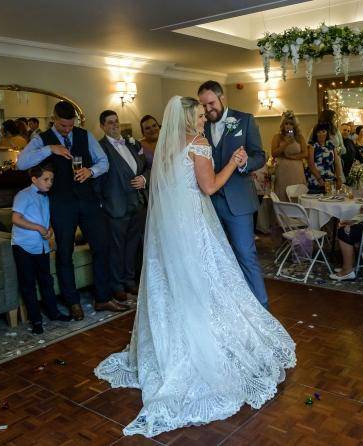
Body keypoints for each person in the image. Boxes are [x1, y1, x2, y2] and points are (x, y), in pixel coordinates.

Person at [94, 96, 296, 438]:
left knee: (177, 286)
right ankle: (205, 346)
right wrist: (233, 161)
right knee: (207, 283)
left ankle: (172, 343)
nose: (204, 120)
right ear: (188, 118)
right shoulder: (197, 144)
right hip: (193, 226)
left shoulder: (164, 147)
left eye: (204, 114)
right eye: (200, 115)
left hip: (170, 230)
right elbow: (210, 186)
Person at [17, 100, 124, 321]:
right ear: (53, 119)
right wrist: (50, 149)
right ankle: (72, 302)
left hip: (88, 200)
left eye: (70, 125)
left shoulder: (85, 136)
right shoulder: (41, 139)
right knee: (65, 253)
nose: (67, 129)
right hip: (61, 203)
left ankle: (102, 297)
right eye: (63, 126)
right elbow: (22, 163)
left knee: (101, 247)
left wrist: (91, 172)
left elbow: (103, 161)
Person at [198, 80, 269, 308]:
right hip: (208, 202)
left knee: (245, 255)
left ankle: (261, 308)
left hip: (238, 202)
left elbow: (260, 155)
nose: (208, 110)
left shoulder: (244, 120)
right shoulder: (201, 126)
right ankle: (230, 307)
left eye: (211, 103)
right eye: (204, 106)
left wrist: (246, 162)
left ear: (222, 98)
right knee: (217, 258)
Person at [11, 165, 72, 334]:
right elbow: (15, 218)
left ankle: (53, 313)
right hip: (24, 246)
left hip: (42, 246)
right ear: (34, 180)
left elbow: (45, 219)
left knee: (46, 281)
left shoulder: (45, 197)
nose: (50, 183)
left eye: (51, 180)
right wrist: (38, 228)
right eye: (46, 179)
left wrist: (49, 228)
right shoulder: (23, 195)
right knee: (28, 284)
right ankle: (36, 320)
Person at [98, 110, 148, 301]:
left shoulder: (132, 143)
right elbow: (98, 179)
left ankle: (129, 281)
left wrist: (144, 179)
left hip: (137, 203)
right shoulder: (100, 147)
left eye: (116, 121)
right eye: (110, 123)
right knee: (116, 248)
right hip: (115, 205)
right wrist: (103, 202)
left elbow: (145, 167)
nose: (115, 125)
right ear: (102, 126)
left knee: (132, 245)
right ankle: (117, 285)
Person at [271, 110, 308, 201]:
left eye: (290, 124)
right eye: (286, 124)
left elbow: (305, 153)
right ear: (283, 125)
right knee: (283, 193)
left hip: (297, 170)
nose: (288, 126)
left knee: (297, 194)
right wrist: (285, 144)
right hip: (282, 170)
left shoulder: (300, 137)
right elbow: (274, 153)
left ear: (294, 126)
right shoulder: (277, 137)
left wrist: (291, 157)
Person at [306, 123, 343, 193]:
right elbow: (311, 164)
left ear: (327, 133)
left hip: (330, 179)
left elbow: (336, 163)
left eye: (323, 131)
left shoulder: (331, 145)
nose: (321, 134)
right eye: (319, 132)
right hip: (316, 180)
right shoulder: (312, 146)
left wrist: (339, 178)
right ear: (315, 134)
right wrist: (320, 179)